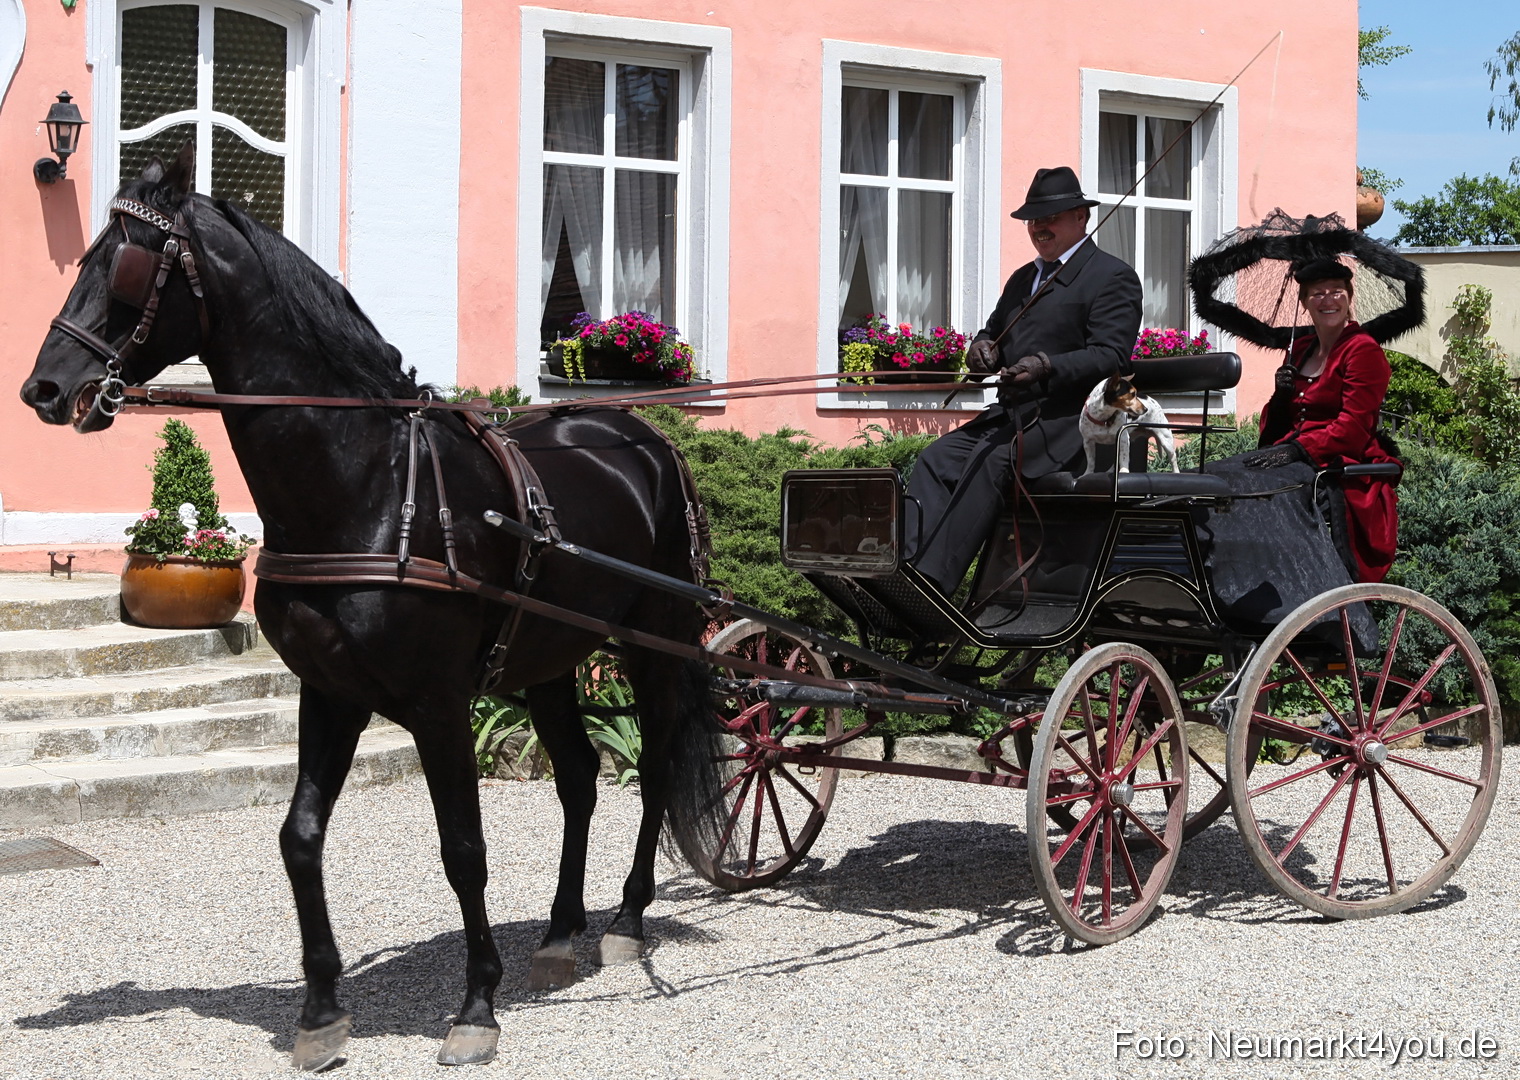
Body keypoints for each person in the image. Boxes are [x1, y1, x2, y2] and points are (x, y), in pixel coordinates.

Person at [904, 166, 1143, 594]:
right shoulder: (1022, 279)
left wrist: (1047, 365)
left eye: (1049, 217)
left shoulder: (1112, 276)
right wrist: (980, 351)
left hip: (1071, 422)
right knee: (936, 460)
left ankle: (932, 587)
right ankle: (905, 571)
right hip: (1012, 416)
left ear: (1081, 218)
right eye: (1033, 219)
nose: (1039, 227)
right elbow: (993, 332)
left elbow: (1112, 355)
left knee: (992, 461)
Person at [1240, 257, 1399, 582]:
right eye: (1317, 293)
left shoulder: (1362, 351)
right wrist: (1281, 397)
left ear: (1349, 296)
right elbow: (1274, 433)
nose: (1328, 299)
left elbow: (1353, 428)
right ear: (1304, 302)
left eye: (1336, 291)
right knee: (1221, 477)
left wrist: (1298, 451)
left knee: (1250, 487)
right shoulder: (1299, 350)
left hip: (1339, 471)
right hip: (1296, 463)